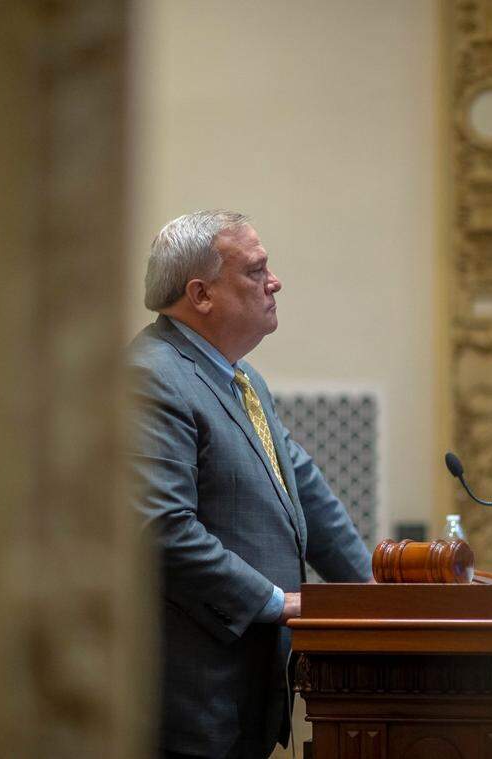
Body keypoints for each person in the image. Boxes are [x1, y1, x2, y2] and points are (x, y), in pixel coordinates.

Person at [126, 210, 373, 759]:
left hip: (246, 693)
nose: (275, 280)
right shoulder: (151, 376)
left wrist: (375, 598)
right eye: (256, 269)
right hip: (190, 701)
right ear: (202, 294)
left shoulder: (241, 377)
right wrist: (276, 602)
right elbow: (162, 528)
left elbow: (307, 491)